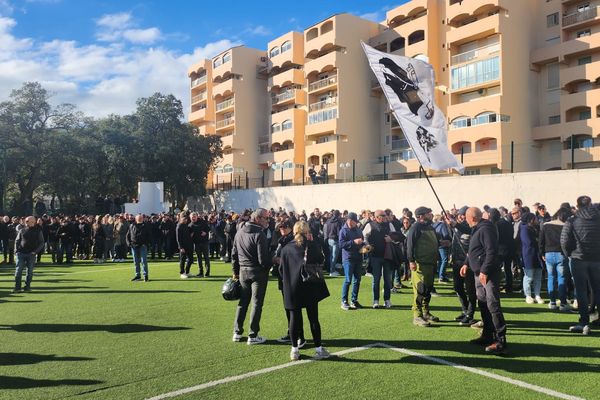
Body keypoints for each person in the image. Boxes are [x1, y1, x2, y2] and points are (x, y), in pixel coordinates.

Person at [280, 220, 330, 361]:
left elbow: (281, 270)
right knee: (313, 318)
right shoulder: (311, 246)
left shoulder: (286, 249)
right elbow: (321, 260)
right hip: (309, 285)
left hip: (292, 287)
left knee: (294, 319)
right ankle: (319, 349)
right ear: (307, 232)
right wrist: (313, 243)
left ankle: (294, 350)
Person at [461, 207, 507, 355]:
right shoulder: (477, 228)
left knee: (492, 304)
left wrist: (484, 271)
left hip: (487, 274)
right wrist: (466, 263)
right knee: (483, 303)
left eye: (466, 218)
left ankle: (500, 340)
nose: (465, 221)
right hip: (478, 273)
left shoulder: (486, 229)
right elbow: (474, 249)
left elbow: (491, 251)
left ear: (472, 218)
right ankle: (487, 335)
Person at [561, 195, 600, 335]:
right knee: (597, 289)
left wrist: (568, 254)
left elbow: (564, 241)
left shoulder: (572, 220)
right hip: (596, 259)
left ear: (577, 206)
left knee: (581, 291)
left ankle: (584, 322)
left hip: (578, 258)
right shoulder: (598, 219)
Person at [232, 208, 271, 345]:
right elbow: (263, 260)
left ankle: (237, 332)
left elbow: (234, 255)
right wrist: (272, 262)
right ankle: (252, 335)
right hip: (257, 273)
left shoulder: (239, 232)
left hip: (243, 271)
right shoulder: (260, 234)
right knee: (256, 304)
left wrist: (235, 272)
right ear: (258, 218)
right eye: (266, 218)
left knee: (243, 303)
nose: (268, 221)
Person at [406, 207, 442, 326]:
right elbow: (410, 245)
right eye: (428, 213)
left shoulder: (430, 227)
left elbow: (435, 241)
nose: (430, 215)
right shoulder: (415, 227)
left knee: (428, 289)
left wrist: (443, 243)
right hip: (420, 264)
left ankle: (426, 312)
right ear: (421, 216)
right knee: (420, 290)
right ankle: (417, 315)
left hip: (431, 263)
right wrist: (411, 261)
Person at [273, 219, 305, 347]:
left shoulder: (293, 240)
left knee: (295, 309)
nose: (281, 229)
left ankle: (300, 336)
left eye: (284, 227)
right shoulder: (281, 240)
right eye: (280, 227)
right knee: (289, 309)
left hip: (294, 278)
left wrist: (279, 260)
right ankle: (291, 332)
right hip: (284, 278)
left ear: (291, 228)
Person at [448, 206, 477, 326]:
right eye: (460, 214)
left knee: (470, 290)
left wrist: (455, 224)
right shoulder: (455, 226)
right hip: (456, 262)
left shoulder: (470, 227)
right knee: (458, 287)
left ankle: (470, 314)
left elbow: (467, 230)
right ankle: (465, 310)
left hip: (468, 263)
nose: (461, 216)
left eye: (464, 214)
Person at [363, 210, 396, 309]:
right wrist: (367, 245)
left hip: (387, 256)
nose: (386, 217)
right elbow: (364, 236)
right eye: (384, 215)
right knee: (376, 280)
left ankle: (387, 300)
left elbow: (396, 236)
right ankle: (376, 301)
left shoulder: (389, 225)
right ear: (377, 217)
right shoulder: (369, 225)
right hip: (375, 257)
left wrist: (391, 239)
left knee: (387, 280)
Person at [540, 207, 571, 311]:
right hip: (561, 254)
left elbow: (541, 240)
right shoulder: (565, 226)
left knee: (551, 277)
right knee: (562, 278)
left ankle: (552, 302)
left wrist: (542, 253)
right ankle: (563, 303)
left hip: (548, 253)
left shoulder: (546, 225)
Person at [339, 212, 364, 310]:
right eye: (354, 221)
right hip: (348, 258)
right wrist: (353, 242)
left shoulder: (358, 230)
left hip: (358, 257)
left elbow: (361, 240)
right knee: (348, 280)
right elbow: (341, 245)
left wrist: (365, 246)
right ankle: (344, 301)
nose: (356, 223)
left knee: (357, 280)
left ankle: (354, 300)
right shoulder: (343, 231)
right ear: (349, 221)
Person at [13, 216, 45, 292]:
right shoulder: (21, 230)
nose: (26, 222)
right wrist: (16, 250)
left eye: (28, 221)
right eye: (26, 221)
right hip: (21, 253)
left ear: (33, 222)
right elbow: (17, 241)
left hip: (31, 254)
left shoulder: (38, 231)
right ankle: (17, 288)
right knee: (18, 271)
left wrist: (35, 251)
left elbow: (41, 242)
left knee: (29, 271)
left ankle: (27, 287)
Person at [520, 212, 544, 304]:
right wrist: (537, 241)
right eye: (534, 219)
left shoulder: (535, 228)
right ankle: (528, 295)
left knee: (538, 276)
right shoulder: (524, 228)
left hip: (537, 255)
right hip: (528, 255)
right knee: (529, 276)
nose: (536, 220)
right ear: (530, 220)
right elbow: (528, 242)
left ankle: (537, 295)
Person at [126, 214, 151, 282]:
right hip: (134, 246)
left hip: (142, 246)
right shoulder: (131, 225)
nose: (140, 219)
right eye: (139, 218)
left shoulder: (145, 226)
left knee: (144, 261)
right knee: (136, 262)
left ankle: (145, 276)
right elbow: (128, 236)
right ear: (136, 219)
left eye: (141, 218)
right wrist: (129, 244)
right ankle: (138, 275)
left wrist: (145, 244)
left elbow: (149, 236)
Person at [190, 212, 211, 277]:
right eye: (192, 217)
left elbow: (208, 228)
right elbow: (189, 235)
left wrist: (205, 232)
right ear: (190, 217)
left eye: (194, 216)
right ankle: (201, 272)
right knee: (199, 258)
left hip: (204, 242)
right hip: (196, 243)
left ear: (197, 216)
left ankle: (207, 272)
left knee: (206, 258)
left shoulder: (203, 222)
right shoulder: (190, 225)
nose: (193, 218)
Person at [323, 210, 343, 276]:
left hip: (329, 239)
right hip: (335, 240)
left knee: (331, 256)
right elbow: (339, 233)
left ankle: (331, 269)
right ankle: (332, 271)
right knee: (334, 256)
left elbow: (325, 230)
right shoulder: (338, 222)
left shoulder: (328, 221)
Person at [176, 213, 194, 279]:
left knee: (191, 259)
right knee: (182, 260)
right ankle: (182, 273)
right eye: (184, 219)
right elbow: (178, 238)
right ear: (181, 218)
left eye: (186, 219)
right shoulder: (179, 226)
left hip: (189, 245)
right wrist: (181, 247)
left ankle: (187, 271)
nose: (185, 220)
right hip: (183, 246)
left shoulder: (186, 225)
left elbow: (189, 233)